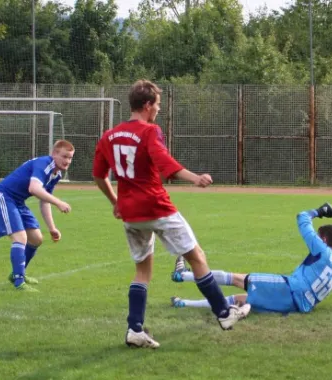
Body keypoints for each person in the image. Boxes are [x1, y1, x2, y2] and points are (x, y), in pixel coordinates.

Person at [92, 79, 251, 350]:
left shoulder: (109, 136)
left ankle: (135, 329)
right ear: (146, 105)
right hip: (156, 206)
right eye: (157, 105)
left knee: (142, 271)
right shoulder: (150, 131)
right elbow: (164, 162)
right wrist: (194, 178)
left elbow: (98, 174)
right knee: (197, 257)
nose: (159, 110)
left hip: (131, 212)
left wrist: (116, 202)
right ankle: (224, 314)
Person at [170, 203, 332, 314]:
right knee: (242, 299)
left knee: (239, 279)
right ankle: (184, 303)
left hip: (291, 289)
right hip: (302, 305)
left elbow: (302, 218)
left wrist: (319, 211)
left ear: (324, 240)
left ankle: (182, 275)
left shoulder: (322, 249)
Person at [0, 140, 75, 292]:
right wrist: (59, 202)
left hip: (17, 202)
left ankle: (17, 273)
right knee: (20, 238)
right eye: (64, 156)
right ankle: (19, 282)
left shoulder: (56, 174)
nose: (67, 161)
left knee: (36, 239)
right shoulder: (44, 164)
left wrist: (52, 228)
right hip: (4, 197)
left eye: (70, 158)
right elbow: (34, 188)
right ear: (54, 154)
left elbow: (44, 199)